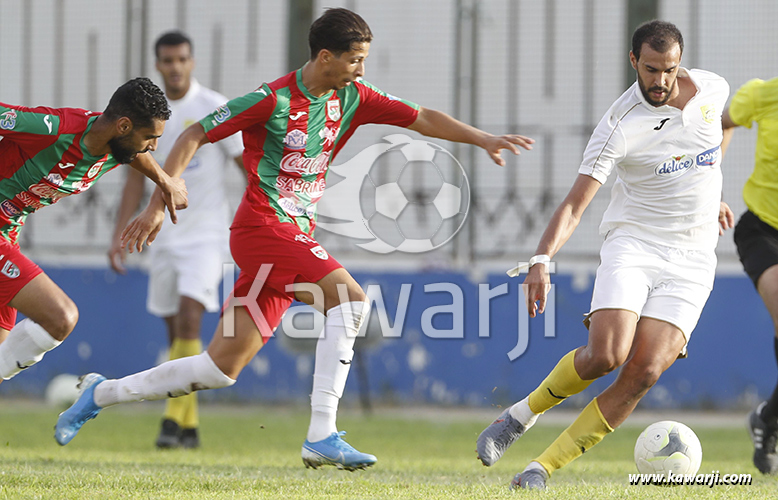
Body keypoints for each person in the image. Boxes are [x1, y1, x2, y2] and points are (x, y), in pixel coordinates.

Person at [54, 7, 534, 470]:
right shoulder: (272, 100)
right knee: (350, 301)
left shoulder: (355, 96)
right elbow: (195, 133)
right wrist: (160, 201)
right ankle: (322, 434)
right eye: (355, 59)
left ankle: (101, 393)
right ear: (325, 57)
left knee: (218, 368)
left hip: (289, 238)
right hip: (262, 229)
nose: (361, 69)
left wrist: (483, 138)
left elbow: (422, 116)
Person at [476, 20, 734, 490]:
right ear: (633, 60)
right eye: (651, 69)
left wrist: (711, 191)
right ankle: (519, 416)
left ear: (681, 63)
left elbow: (716, 134)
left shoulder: (713, 88)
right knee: (606, 355)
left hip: (694, 258)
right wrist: (541, 259)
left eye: (669, 70)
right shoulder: (619, 125)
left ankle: (539, 470)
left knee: (645, 372)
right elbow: (575, 205)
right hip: (635, 244)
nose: (660, 81)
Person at [0, 78, 187, 385]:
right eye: (150, 137)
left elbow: (138, 155)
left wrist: (164, 181)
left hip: (8, 235)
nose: (153, 146)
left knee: (5, 353)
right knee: (60, 317)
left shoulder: (114, 146)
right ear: (123, 126)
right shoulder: (54, 129)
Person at [108, 31, 244, 450]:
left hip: (206, 235)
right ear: (158, 65)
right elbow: (135, 178)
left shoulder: (214, 107)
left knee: (189, 317)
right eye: (168, 61)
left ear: (192, 62)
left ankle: (170, 420)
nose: (175, 67)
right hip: (162, 235)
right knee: (175, 334)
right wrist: (117, 234)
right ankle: (190, 425)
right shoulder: (146, 115)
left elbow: (246, 165)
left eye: (182, 59)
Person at [721, 78, 778, 475]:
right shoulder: (763, 94)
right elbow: (719, 124)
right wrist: (711, 187)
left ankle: (767, 418)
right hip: (763, 231)